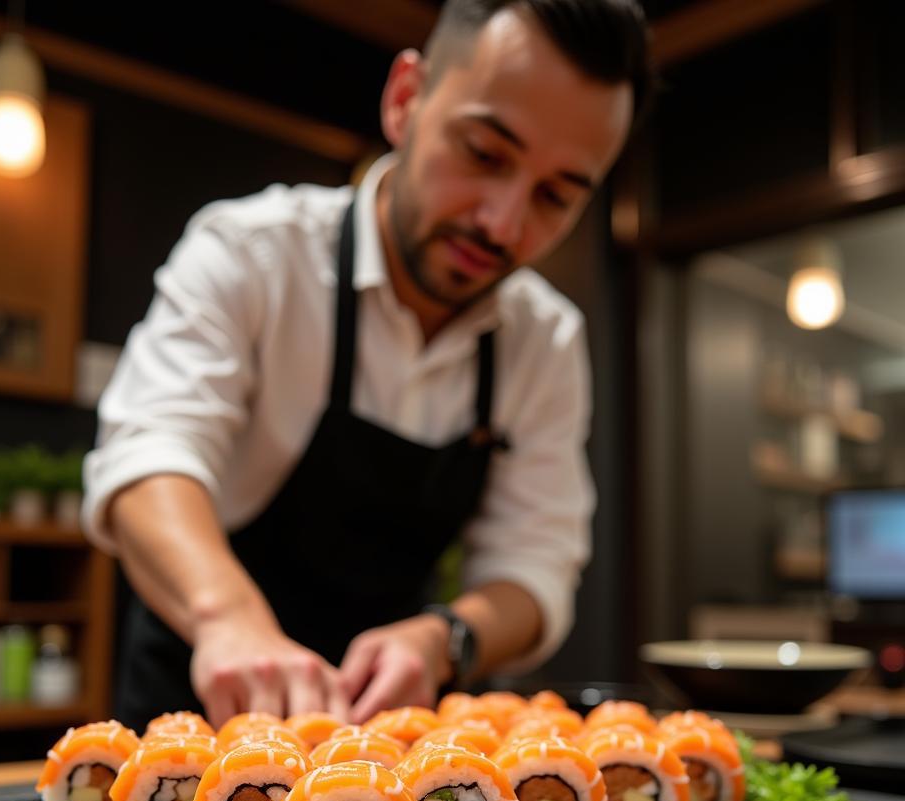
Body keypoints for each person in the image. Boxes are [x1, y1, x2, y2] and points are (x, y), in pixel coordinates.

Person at [82, 0, 652, 730]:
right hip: (195, 713)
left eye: (555, 197)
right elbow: (148, 455)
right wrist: (229, 618)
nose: (502, 224)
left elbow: (536, 563)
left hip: (382, 737)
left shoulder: (544, 340)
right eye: (484, 153)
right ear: (406, 99)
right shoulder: (253, 254)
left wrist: (445, 637)